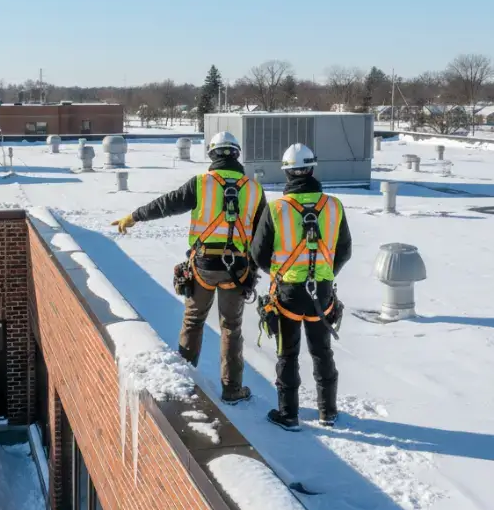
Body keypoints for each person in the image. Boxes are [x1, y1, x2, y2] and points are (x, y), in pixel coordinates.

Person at [112, 132, 267, 404]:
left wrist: (134, 216)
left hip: (204, 265)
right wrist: (254, 269)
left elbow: (167, 204)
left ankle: (183, 381)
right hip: (237, 269)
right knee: (231, 327)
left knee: (193, 322)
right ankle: (232, 390)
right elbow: (260, 236)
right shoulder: (254, 189)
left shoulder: (202, 184)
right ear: (236, 154)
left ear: (212, 154)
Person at [250, 143, 352, 431]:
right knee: (322, 352)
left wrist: (280, 273)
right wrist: (325, 275)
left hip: (288, 294)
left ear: (287, 172)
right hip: (321, 292)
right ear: (311, 169)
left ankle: (289, 414)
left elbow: (258, 253)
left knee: (287, 354)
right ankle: (327, 412)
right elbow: (344, 249)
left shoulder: (276, 209)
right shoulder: (333, 206)